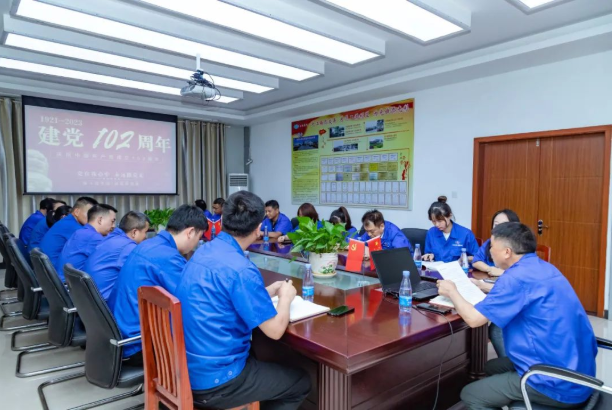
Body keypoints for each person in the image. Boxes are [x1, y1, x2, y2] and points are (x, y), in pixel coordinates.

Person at [437, 223, 597, 410]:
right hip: (577, 369)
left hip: (556, 383)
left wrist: (452, 291)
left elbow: (474, 319)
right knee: (490, 368)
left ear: (507, 252)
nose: (489, 251)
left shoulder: (515, 278)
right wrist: (484, 287)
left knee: (470, 394)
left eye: (492, 246)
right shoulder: (545, 268)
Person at [177, 190, 311, 410]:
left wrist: (266, 291)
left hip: (186, 367)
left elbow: (224, 295)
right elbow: (275, 331)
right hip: (217, 380)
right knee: (300, 382)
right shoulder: (242, 269)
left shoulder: (204, 251)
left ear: (223, 220)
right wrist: (286, 298)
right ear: (258, 228)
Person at [109, 205, 207, 364]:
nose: (196, 244)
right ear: (190, 232)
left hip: (122, 331)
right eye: (199, 237)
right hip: (138, 344)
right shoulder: (167, 257)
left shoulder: (149, 244)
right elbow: (193, 299)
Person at [471, 209, 521, 359]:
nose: (498, 228)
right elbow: (476, 261)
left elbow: (517, 284)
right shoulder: (490, 242)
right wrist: (491, 269)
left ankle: (510, 365)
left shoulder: (520, 249)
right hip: (493, 285)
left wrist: (502, 273)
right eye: (495, 224)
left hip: (516, 305)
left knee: (495, 327)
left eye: (503, 224)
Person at [84, 211, 150, 301]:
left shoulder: (111, 238)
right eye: (145, 232)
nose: (146, 237)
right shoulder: (128, 247)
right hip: (105, 301)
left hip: (90, 299)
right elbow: (141, 274)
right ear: (134, 232)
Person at [57, 204, 117, 279]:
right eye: (112, 221)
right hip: (73, 284)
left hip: (64, 280)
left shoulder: (80, 232)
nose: (113, 226)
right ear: (100, 220)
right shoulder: (94, 237)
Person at [39, 196, 98, 271]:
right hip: (55, 270)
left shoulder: (67, 221)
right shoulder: (74, 227)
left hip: (48, 269)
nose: (92, 218)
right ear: (76, 212)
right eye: (89, 214)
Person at [423, 196, 478, 262]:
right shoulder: (431, 233)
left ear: (449, 216)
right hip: (436, 268)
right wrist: (428, 256)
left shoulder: (466, 234)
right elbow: (428, 253)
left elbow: (477, 258)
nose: (437, 224)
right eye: (434, 221)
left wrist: (465, 259)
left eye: (440, 221)